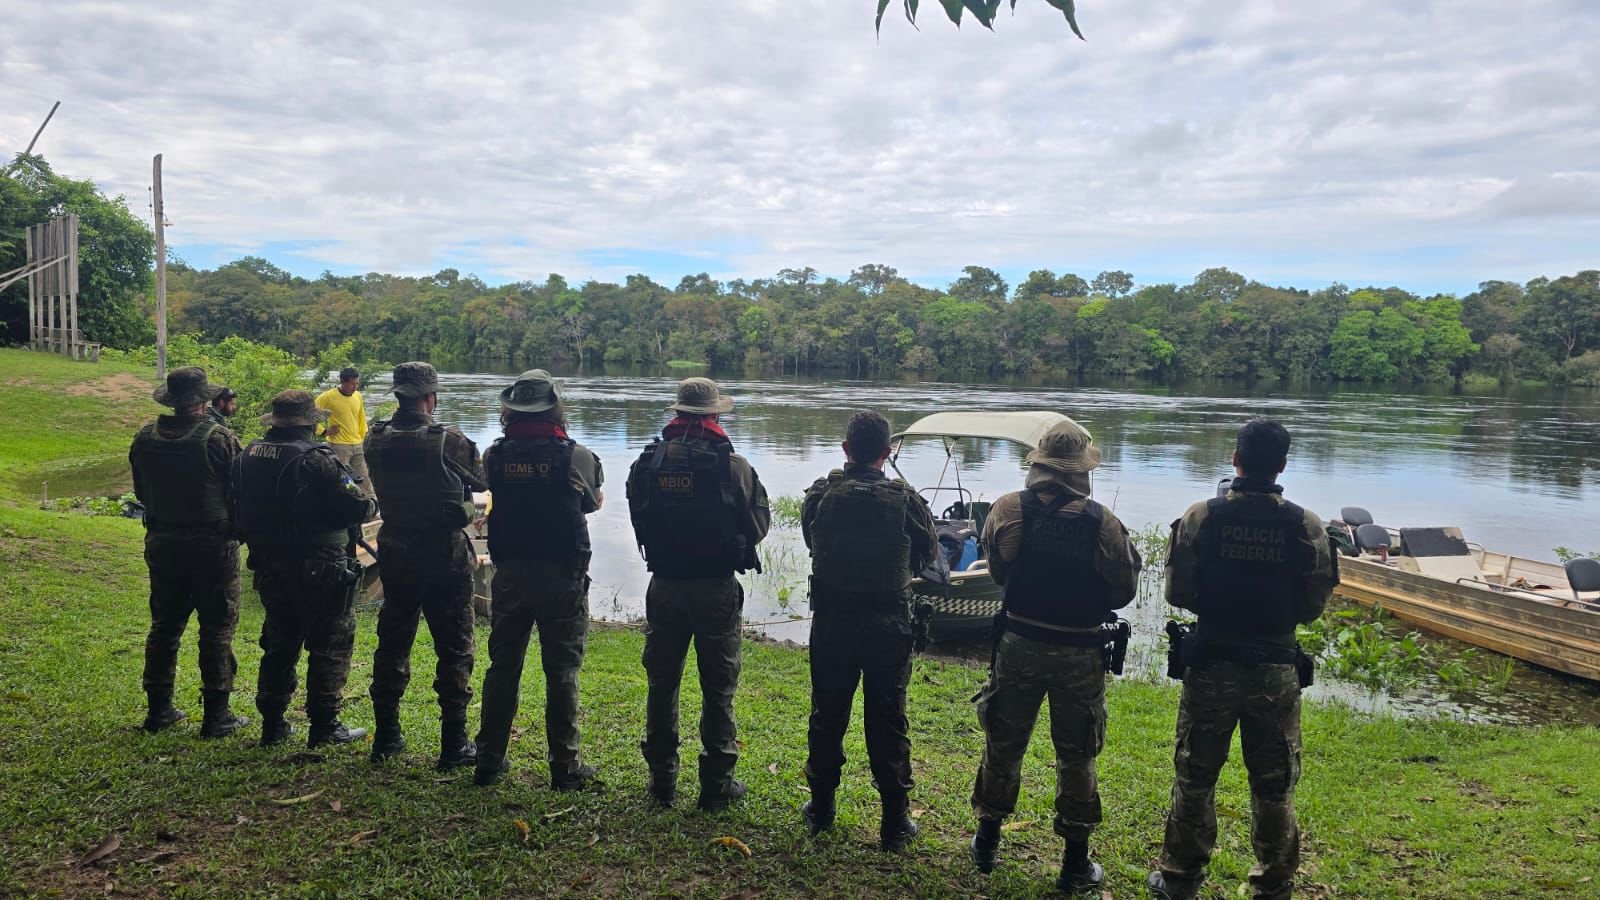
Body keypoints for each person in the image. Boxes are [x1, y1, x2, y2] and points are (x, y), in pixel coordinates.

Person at [1148, 418, 1338, 900]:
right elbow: (1313, 607)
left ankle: (1179, 880)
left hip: (1211, 662)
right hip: (1275, 669)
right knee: (1273, 786)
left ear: (1235, 459)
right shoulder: (1306, 525)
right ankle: (1272, 887)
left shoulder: (1201, 516)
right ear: (1282, 466)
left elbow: (1176, 592)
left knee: (1195, 776)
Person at [967, 420, 1141, 890]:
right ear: (1083, 471)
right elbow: (1124, 590)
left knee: (1004, 742)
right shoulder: (1102, 521)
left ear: (1039, 464)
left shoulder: (1007, 509)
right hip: (1079, 651)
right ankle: (1075, 864)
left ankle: (986, 841)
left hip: (1019, 642)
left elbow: (1000, 571)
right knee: (1077, 754)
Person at [626, 377, 770, 810]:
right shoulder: (735, 466)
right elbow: (759, 526)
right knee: (718, 686)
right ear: (714, 415)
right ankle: (716, 786)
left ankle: (662, 781)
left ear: (677, 414)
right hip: (715, 587)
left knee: (661, 682)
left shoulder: (647, 462)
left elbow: (639, 515)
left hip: (665, 583)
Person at [799, 411, 938, 852]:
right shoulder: (906, 501)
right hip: (888, 624)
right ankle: (894, 824)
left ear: (846, 450)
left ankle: (821, 809)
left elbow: (811, 541)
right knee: (888, 718)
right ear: (887, 452)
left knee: (827, 712)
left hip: (833, 620)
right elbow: (925, 557)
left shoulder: (822, 495)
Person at [474, 370, 604, 789]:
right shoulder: (575, 455)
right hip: (561, 576)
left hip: (510, 573)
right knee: (562, 671)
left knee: (503, 667)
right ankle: (564, 769)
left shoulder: (494, 456)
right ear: (556, 407)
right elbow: (593, 502)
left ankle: (488, 762)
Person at [233, 390, 377, 749]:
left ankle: (273, 722)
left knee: (280, 640)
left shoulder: (247, 454)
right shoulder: (316, 459)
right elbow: (358, 507)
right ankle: (325, 725)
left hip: (268, 562)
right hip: (318, 563)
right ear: (311, 423)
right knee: (330, 641)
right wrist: (372, 503)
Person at [363, 362, 488, 770]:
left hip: (395, 549)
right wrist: (466, 505)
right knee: (454, 647)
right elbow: (483, 479)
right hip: (442, 553)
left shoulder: (374, 437)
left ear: (397, 395)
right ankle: (454, 745)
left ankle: (386, 737)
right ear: (431, 397)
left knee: (393, 640)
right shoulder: (446, 439)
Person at [127, 366, 248, 737]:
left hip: (163, 541)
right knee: (216, 629)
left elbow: (142, 493)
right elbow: (240, 492)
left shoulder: (145, 437)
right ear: (203, 401)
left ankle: (158, 711)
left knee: (164, 626)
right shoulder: (219, 439)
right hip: (212, 546)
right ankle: (217, 716)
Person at [316, 367, 372, 501]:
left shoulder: (358, 396)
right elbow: (311, 413)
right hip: (339, 446)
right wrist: (323, 431)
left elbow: (361, 419)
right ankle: (346, 504)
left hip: (357, 444)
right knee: (343, 480)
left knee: (364, 477)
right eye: (352, 384)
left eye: (357, 383)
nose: (355, 387)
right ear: (343, 381)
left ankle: (371, 504)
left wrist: (364, 438)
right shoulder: (328, 396)